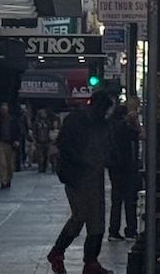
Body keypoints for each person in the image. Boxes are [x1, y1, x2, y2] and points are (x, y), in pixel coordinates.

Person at [49, 87, 117, 274]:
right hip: (78, 175)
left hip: (91, 174)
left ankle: (90, 261)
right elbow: (66, 145)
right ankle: (61, 252)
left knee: (95, 219)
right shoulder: (81, 121)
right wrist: (82, 162)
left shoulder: (98, 123)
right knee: (82, 215)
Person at [105, 102, 141, 241]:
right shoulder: (125, 128)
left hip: (114, 167)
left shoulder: (111, 125)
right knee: (130, 200)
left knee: (116, 200)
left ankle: (113, 231)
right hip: (126, 167)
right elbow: (141, 134)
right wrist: (135, 121)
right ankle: (131, 230)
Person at [0, 102, 25, 189]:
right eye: (2, 109)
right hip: (1, 143)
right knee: (2, 163)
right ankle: (3, 181)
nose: (3, 111)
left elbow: (18, 131)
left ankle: (8, 179)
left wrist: (17, 140)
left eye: (5, 109)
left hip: (11, 144)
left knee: (10, 165)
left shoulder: (13, 120)